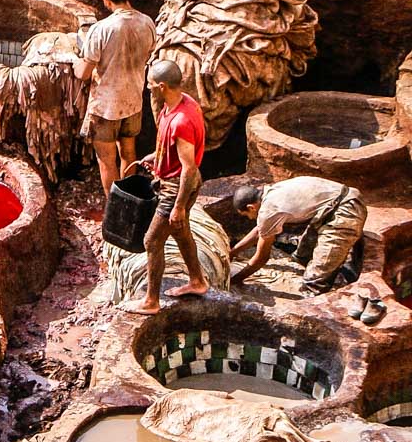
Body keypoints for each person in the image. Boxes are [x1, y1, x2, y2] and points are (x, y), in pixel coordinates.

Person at [128, 59, 208, 314]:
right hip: (174, 180)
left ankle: (151, 302)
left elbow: (188, 168)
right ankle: (197, 281)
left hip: (176, 188)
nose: (148, 88)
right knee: (180, 233)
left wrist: (179, 206)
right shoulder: (177, 104)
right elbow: (172, 148)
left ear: (162, 86)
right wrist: (156, 158)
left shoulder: (181, 120)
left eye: (151, 85)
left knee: (152, 241)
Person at [69, 0, 157, 195]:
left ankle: (114, 208)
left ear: (106, 0)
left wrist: (74, 60)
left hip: (106, 106)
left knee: (107, 160)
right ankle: (129, 201)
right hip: (133, 102)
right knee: (129, 153)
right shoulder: (147, 23)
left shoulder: (102, 29)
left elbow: (83, 73)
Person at [230, 176, 368, 294]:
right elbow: (260, 230)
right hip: (339, 202)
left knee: (314, 282)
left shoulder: (268, 211)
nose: (249, 218)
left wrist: (232, 281)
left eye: (247, 215)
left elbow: (261, 258)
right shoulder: (272, 191)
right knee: (303, 256)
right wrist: (234, 252)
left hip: (345, 212)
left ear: (251, 207)